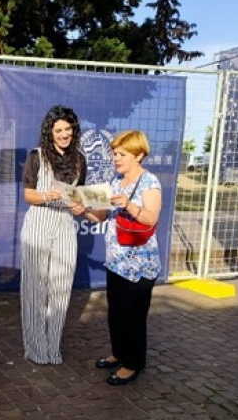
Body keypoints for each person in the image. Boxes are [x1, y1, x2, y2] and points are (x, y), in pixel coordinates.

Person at [72, 130, 162, 385]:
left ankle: (133, 364)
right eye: (114, 153)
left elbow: (151, 218)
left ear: (139, 155)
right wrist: (84, 210)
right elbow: (101, 217)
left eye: (121, 154)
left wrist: (129, 205)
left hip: (140, 265)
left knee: (133, 316)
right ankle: (119, 353)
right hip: (116, 262)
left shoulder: (150, 182)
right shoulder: (114, 183)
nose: (115, 158)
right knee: (116, 313)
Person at [19, 105, 86, 365]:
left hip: (66, 224)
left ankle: (53, 346)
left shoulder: (80, 159)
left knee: (61, 287)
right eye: (58, 130)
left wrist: (81, 205)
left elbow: (79, 195)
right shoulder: (36, 156)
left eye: (68, 129)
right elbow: (28, 195)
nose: (64, 134)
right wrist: (46, 194)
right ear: (50, 132)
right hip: (39, 219)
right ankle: (36, 348)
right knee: (35, 288)